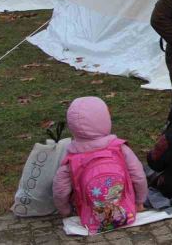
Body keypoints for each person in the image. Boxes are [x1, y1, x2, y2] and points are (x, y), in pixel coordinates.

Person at [53, 97, 147, 233]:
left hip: (88, 215)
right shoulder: (119, 148)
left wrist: (65, 211)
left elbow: (60, 189)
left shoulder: (72, 158)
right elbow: (138, 175)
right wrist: (139, 201)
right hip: (127, 209)